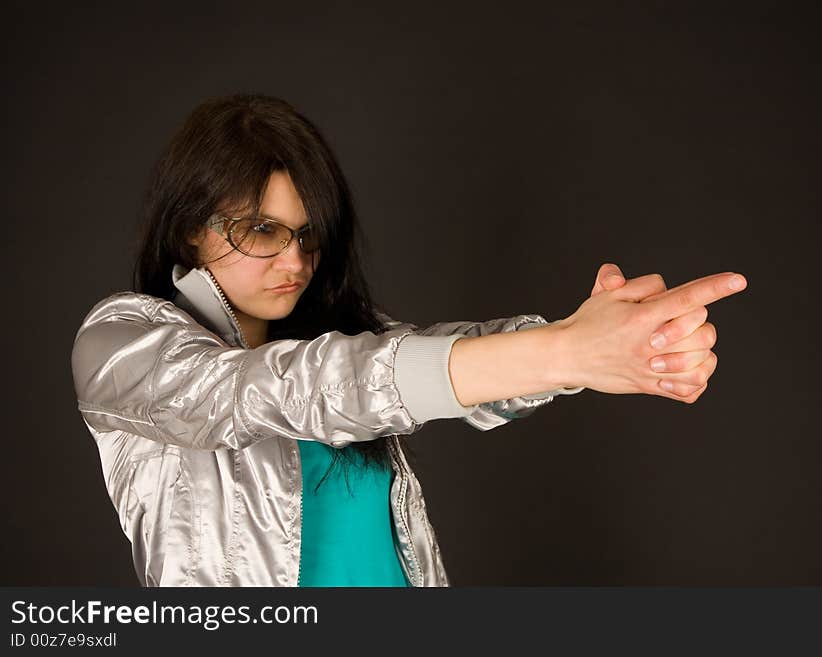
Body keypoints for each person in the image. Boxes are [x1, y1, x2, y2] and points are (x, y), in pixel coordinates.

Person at [70, 93, 747, 587]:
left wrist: (601, 339)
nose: (295, 262)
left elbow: (450, 363)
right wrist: (570, 351)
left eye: (309, 235)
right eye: (263, 230)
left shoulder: (338, 334)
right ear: (190, 226)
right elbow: (283, 388)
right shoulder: (120, 344)